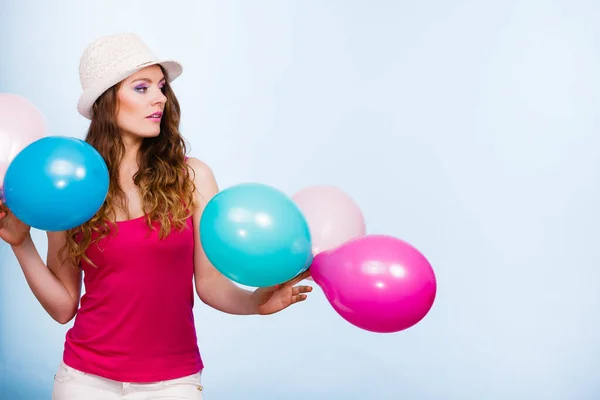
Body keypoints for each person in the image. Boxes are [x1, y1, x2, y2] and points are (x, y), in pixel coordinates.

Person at [0, 33, 312, 399]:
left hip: (173, 382)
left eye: (161, 87)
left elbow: (210, 285)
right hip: (84, 380)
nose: (160, 98)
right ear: (107, 100)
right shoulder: (69, 184)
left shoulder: (192, 178)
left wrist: (255, 303)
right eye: (142, 87)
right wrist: (21, 245)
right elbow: (63, 306)